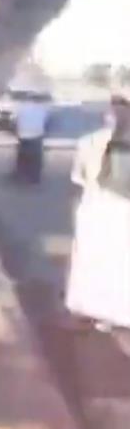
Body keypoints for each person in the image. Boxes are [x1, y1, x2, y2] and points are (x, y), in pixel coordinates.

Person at [65, 87, 130, 330]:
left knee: (108, 261)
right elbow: (80, 179)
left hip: (104, 207)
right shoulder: (91, 141)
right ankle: (96, 310)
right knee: (99, 260)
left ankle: (102, 311)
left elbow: (78, 179)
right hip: (100, 206)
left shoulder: (91, 141)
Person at [14, 94, 49, 183]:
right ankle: (34, 178)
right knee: (36, 158)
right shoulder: (42, 109)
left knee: (23, 157)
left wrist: (17, 132)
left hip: (23, 135)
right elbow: (46, 122)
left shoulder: (21, 108)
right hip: (36, 136)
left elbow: (16, 121)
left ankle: (21, 176)